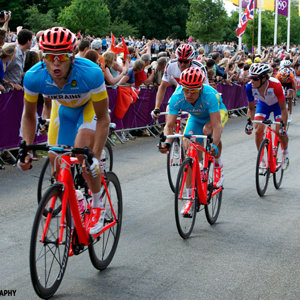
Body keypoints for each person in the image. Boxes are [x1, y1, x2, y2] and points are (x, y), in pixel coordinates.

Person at [18, 27, 110, 235]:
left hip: (88, 109)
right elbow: (29, 115)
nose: (56, 63)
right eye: (50, 57)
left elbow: (104, 118)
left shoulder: (91, 73)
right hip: (64, 111)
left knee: (82, 155)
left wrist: (94, 155)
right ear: (43, 56)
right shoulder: (33, 77)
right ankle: (76, 197)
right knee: (56, 164)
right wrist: (25, 148)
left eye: (62, 57)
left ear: (72, 56)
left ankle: (97, 205)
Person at [159, 67, 228, 216]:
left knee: (208, 131)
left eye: (193, 91)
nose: (189, 94)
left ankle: (218, 165)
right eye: (186, 90)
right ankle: (190, 198)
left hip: (215, 115)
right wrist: (167, 142)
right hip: (196, 118)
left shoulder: (210, 95)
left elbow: (217, 125)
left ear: (201, 88)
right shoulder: (177, 97)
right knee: (187, 144)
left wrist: (214, 146)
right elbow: (169, 126)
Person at [245, 63, 289, 169]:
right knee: (258, 131)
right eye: (251, 78)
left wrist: (283, 126)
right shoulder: (249, 87)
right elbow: (251, 109)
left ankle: (285, 153)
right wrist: (249, 123)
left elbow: (283, 109)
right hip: (263, 104)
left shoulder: (275, 85)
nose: (252, 81)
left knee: (279, 131)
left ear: (264, 78)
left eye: (255, 78)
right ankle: (262, 160)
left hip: (278, 105)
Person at [151, 44, 207, 118]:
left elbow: (205, 90)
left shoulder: (199, 68)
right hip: (181, 89)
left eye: (186, 62)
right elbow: (162, 86)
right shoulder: (170, 65)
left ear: (191, 60)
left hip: (196, 93)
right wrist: (157, 107)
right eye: (180, 61)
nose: (183, 64)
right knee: (169, 112)